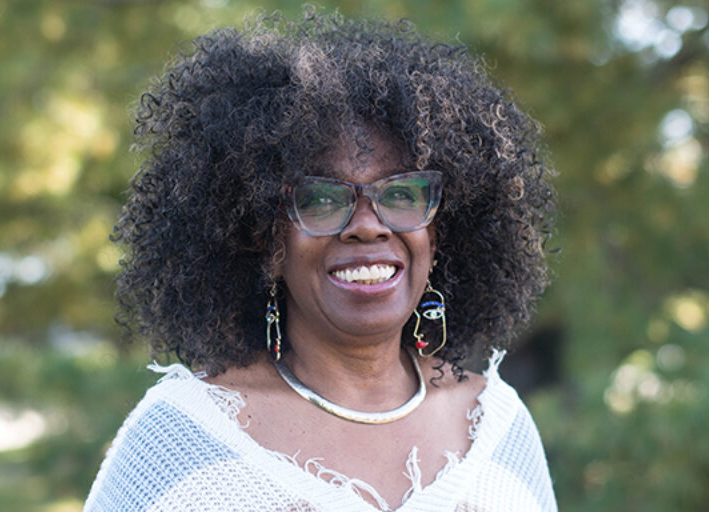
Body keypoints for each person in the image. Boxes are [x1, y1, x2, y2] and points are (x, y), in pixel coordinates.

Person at [84, 7, 557, 512]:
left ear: (440, 230)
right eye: (320, 198)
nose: (368, 224)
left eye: (402, 193)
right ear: (264, 236)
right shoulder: (183, 442)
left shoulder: (497, 429)